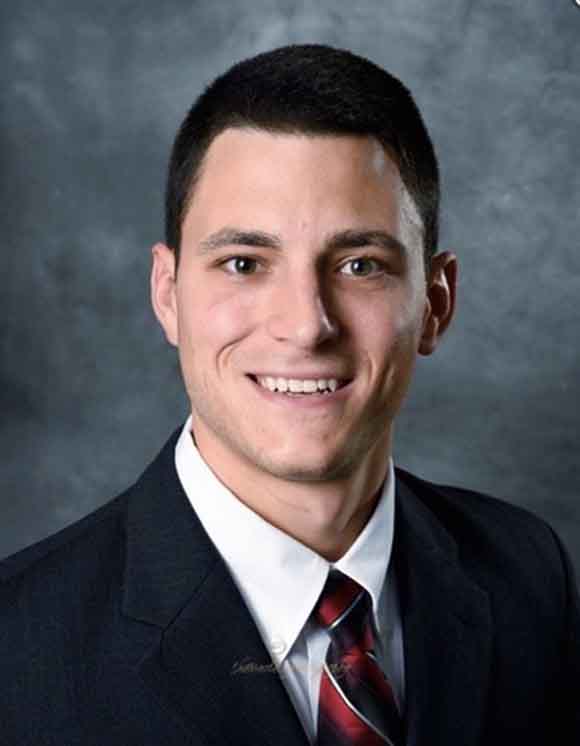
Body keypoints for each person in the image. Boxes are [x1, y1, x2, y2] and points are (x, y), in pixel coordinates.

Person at [1, 44, 578, 746]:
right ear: (167, 293)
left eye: (360, 264)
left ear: (435, 302)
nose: (306, 325)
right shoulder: (17, 647)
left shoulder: (529, 572)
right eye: (244, 263)